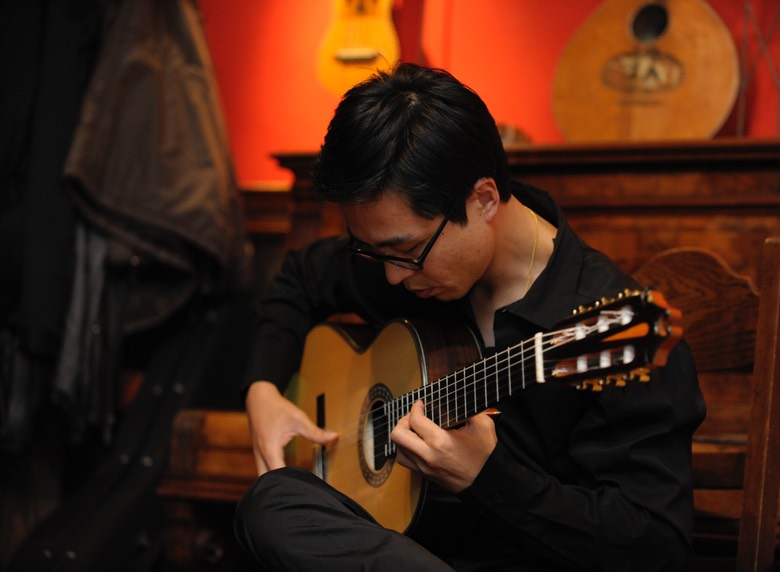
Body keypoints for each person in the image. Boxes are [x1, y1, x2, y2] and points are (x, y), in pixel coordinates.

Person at [234, 63, 706, 571]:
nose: (393, 278)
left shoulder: (611, 321)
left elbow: (657, 549)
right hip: (405, 551)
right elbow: (300, 278)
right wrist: (263, 388)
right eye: (375, 254)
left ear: (483, 200)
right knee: (273, 502)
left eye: (407, 251)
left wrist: (488, 477)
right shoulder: (404, 260)